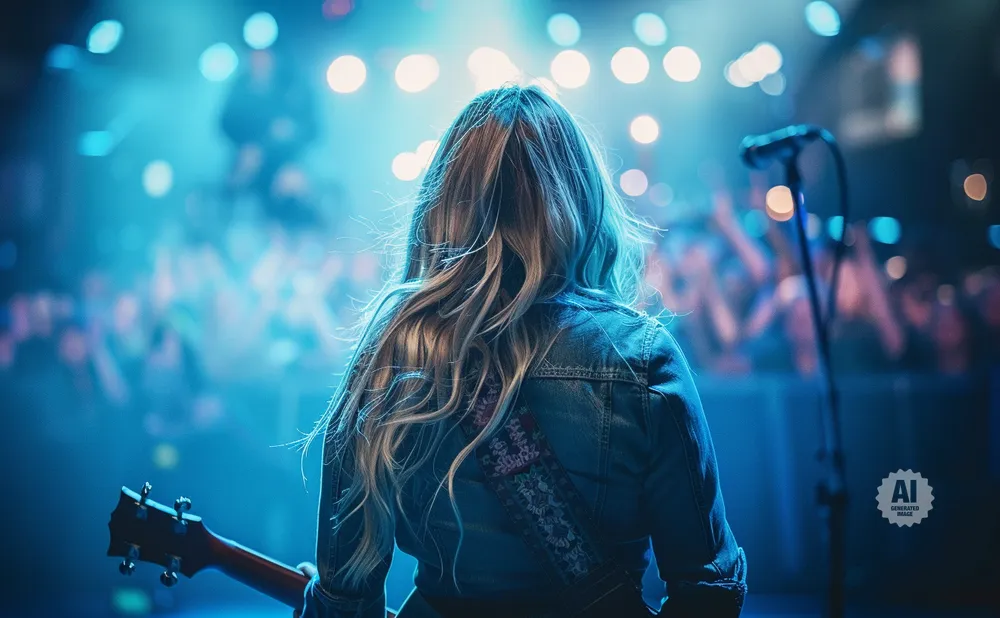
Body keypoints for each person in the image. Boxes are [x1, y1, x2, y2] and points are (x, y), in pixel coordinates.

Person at [294, 86, 747, 618]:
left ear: (444, 205)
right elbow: (709, 589)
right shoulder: (639, 358)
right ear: (580, 198)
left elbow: (343, 598)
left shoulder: (396, 349)